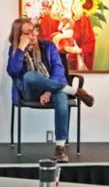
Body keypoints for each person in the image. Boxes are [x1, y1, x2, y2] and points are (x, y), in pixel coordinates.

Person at [6, 18, 95, 163]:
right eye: (28, 33)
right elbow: (13, 71)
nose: (34, 34)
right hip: (29, 92)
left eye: (34, 30)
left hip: (51, 90)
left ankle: (60, 149)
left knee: (61, 97)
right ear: (19, 35)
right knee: (29, 76)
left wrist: (48, 91)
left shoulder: (48, 46)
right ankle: (75, 92)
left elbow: (59, 71)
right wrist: (21, 48)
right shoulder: (15, 49)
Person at [39, 0, 96, 71]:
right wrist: (59, 38)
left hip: (75, 65)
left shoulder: (83, 19)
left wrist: (79, 50)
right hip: (54, 66)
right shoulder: (48, 19)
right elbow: (42, 42)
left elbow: (90, 42)